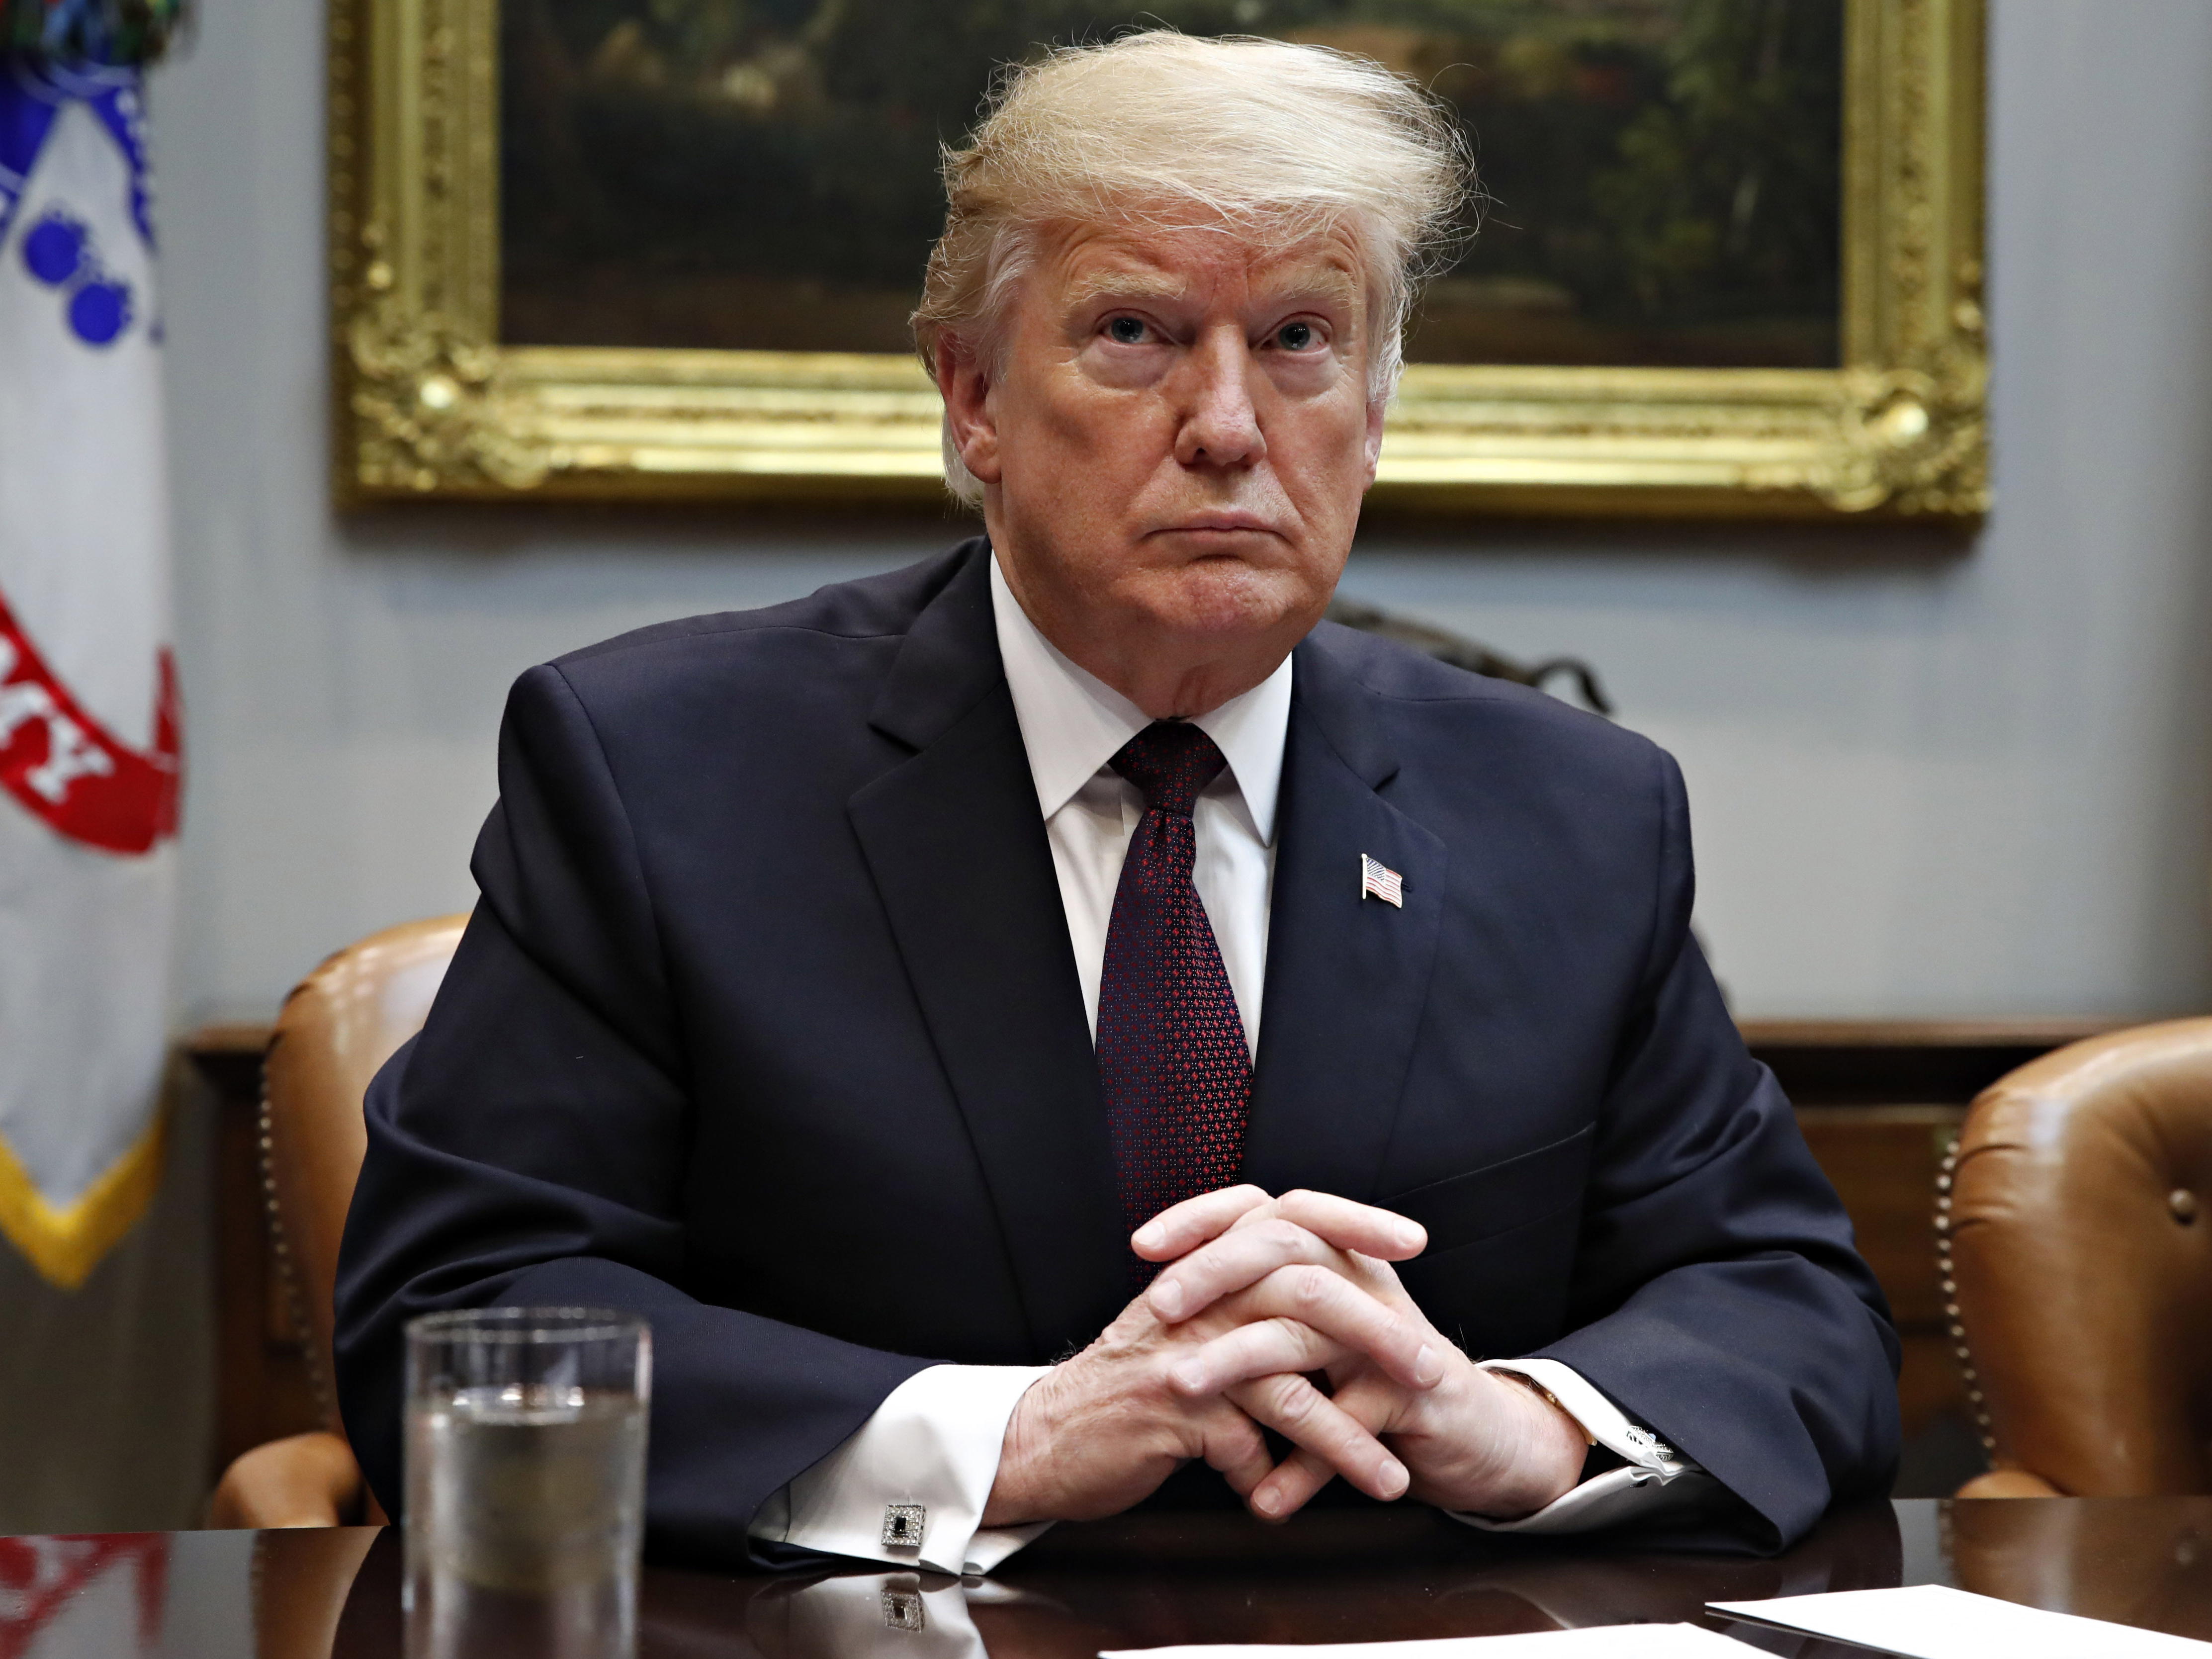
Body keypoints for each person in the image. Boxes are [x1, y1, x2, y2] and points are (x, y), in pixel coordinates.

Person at [333, 30, 1899, 1572]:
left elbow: (1789, 1302)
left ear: (1373, 407)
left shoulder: (1573, 809)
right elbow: (463, 1318)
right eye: (1137, 333)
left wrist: (1518, 1425)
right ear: (973, 400)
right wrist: (1006, 1438)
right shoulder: (658, 767)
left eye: (1298, 338)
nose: (1227, 424)